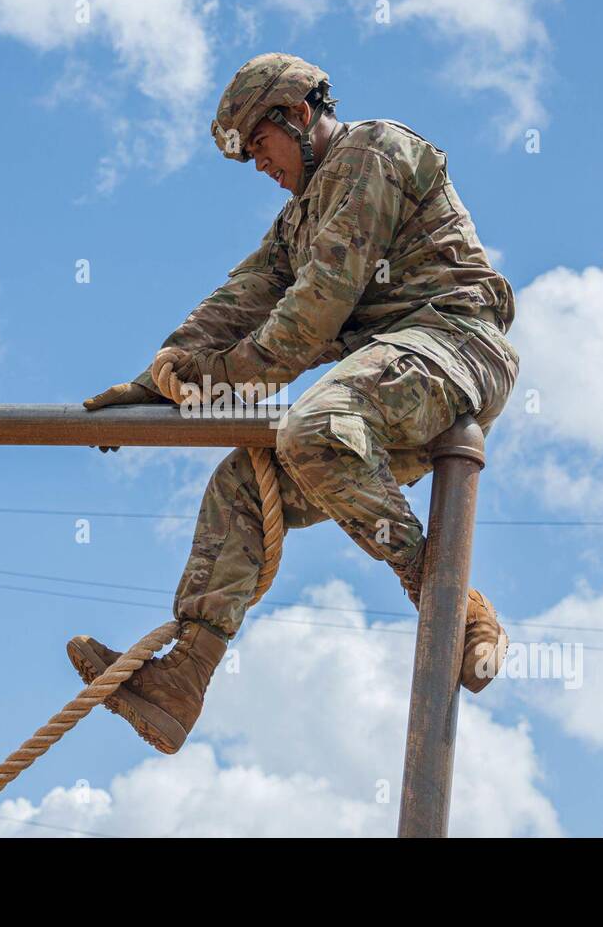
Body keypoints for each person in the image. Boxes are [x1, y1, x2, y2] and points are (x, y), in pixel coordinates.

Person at [72, 53, 520, 755]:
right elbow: (241, 299)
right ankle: (181, 679)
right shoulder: (296, 222)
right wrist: (157, 378)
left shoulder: (374, 153)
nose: (258, 164)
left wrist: (213, 378)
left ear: (300, 114)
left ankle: (444, 596)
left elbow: (314, 312)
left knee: (312, 426)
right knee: (241, 488)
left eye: (260, 143)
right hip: (383, 391)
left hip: (452, 347)